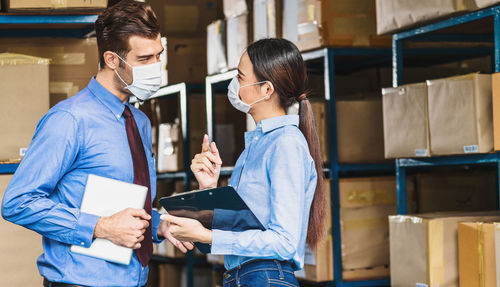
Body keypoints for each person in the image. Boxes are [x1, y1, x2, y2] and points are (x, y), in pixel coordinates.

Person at [1, 1, 192, 286]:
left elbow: (127, 205)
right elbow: (17, 202)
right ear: (112, 59)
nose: (156, 67)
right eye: (144, 59)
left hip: (134, 279)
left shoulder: (138, 121)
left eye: (158, 56)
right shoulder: (69, 120)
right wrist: (101, 227)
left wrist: (158, 225)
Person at [162, 38, 327, 287]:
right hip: (245, 276)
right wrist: (209, 188)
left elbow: (284, 242)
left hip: (265, 276)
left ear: (267, 89)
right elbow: (243, 225)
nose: (234, 84)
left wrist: (207, 236)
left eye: (240, 77)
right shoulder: (257, 145)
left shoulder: (286, 144)